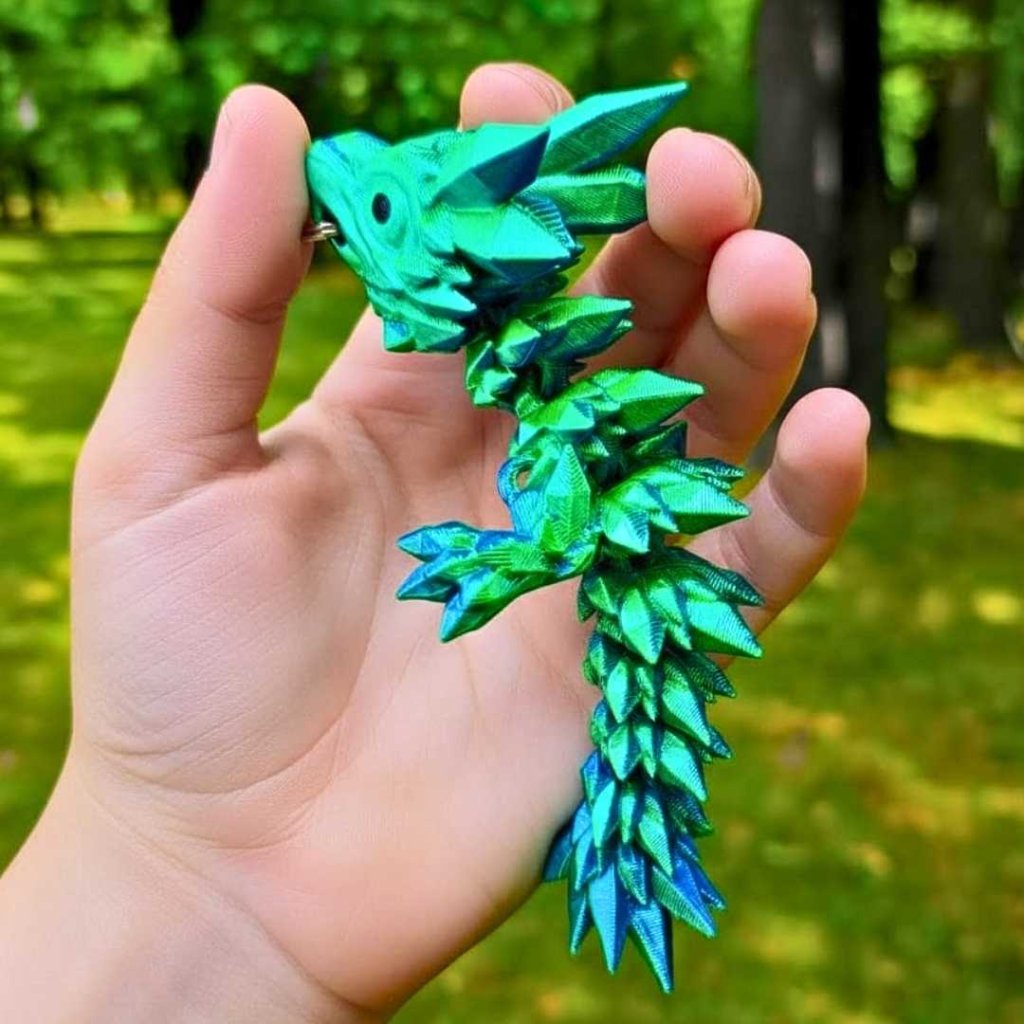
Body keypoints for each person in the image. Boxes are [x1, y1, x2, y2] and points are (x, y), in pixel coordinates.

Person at [0, 63, 868, 1021]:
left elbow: (565, 518)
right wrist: (159, 851)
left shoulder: (551, 416)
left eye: (381, 206)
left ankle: (626, 828)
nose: (346, 185)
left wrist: (502, 562)